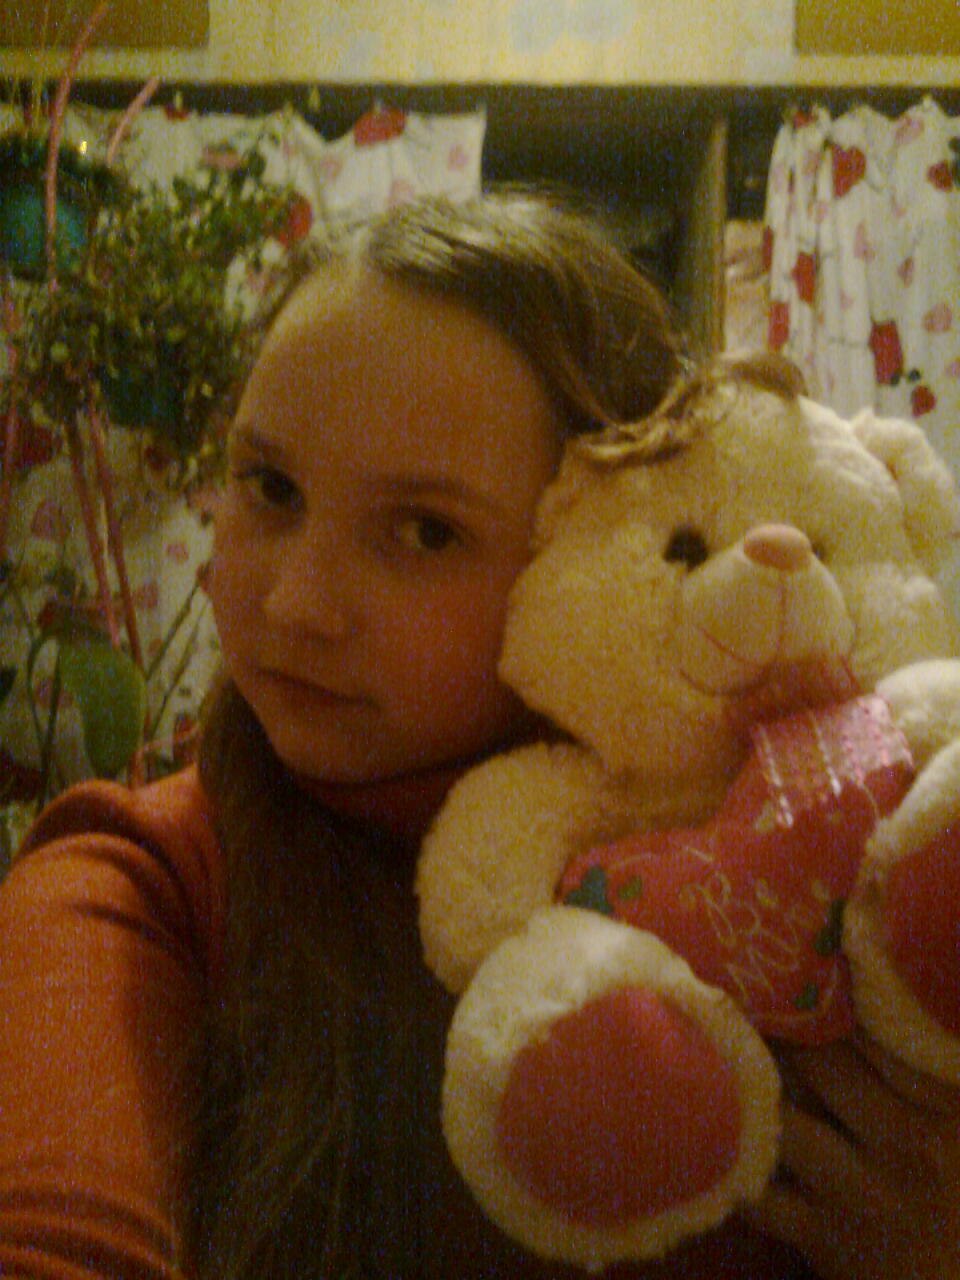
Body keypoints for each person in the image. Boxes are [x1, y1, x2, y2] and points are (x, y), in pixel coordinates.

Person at [0, 192, 955, 1280]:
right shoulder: (144, 885)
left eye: (423, 530)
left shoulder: (820, 887)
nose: (295, 603)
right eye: (270, 487)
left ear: (598, 543)